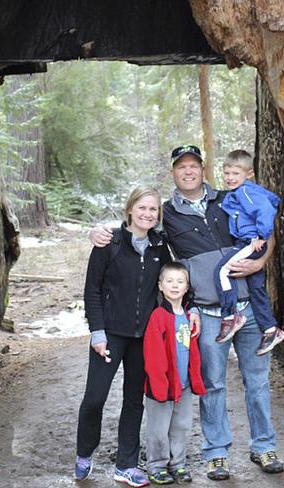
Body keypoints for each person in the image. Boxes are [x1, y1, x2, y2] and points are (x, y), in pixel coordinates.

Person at [90, 145, 284, 481]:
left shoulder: (231, 197)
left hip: (249, 308)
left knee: (257, 382)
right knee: (212, 384)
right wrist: (96, 232)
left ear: (203, 168)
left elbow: (266, 227)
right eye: (182, 167)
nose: (189, 171)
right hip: (209, 312)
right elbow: (138, 228)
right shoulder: (167, 213)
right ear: (174, 173)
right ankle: (217, 453)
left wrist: (262, 260)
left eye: (194, 165)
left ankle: (263, 446)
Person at [75, 186, 171, 487]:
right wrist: (97, 332)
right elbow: (92, 290)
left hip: (143, 338)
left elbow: (169, 286)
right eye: (142, 208)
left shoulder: (159, 247)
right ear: (130, 210)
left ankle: (126, 465)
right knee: (95, 398)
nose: (147, 214)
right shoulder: (109, 243)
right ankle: (84, 453)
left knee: (134, 401)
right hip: (110, 335)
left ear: (158, 215)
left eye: (153, 209)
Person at [213, 150, 284, 355]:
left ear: (249, 173)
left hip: (249, 242)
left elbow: (265, 210)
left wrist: (261, 236)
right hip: (249, 240)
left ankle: (230, 316)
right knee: (256, 288)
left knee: (221, 272)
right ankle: (271, 329)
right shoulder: (237, 193)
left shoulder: (246, 191)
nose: (229, 178)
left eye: (235, 174)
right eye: (226, 173)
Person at [143, 262, 206, 485]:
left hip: (184, 385)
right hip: (161, 386)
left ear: (187, 286)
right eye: (169, 281)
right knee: (159, 429)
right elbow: (153, 355)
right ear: (160, 286)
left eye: (180, 281)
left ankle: (178, 464)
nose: (175, 285)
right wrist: (160, 383)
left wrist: (193, 378)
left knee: (181, 426)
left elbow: (192, 352)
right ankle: (157, 465)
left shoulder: (189, 316)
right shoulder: (158, 316)